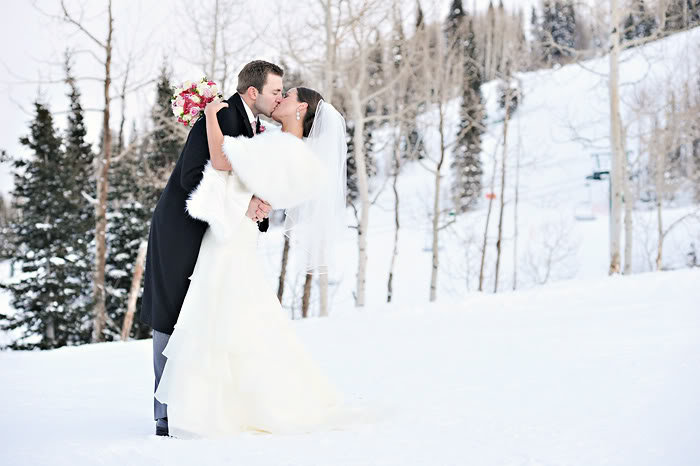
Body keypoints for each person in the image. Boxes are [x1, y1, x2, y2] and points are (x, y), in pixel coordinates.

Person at [154, 87, 353, 437]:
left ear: (301, 108)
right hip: (241, 233)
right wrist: (260, 199)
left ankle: (211, 408)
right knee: (236, 311)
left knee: (216, 309)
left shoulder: (280, 144)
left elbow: (220, 160)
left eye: (286, 95)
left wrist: (212, 115)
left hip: (230, 237)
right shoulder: (300, 153)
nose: (280, 100)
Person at [140, 60, 284, 437]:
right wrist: (246, 203)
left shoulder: (249, 124)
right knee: (172, 314)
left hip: (213, 231)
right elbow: (194, 178)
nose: (279, 98)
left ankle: (196, 404)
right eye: (275, 91)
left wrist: (257, 203)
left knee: (203, 314)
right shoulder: (219, 116)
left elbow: (236, 176)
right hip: (181, 229)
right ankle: (164, 414)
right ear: (253, 92)